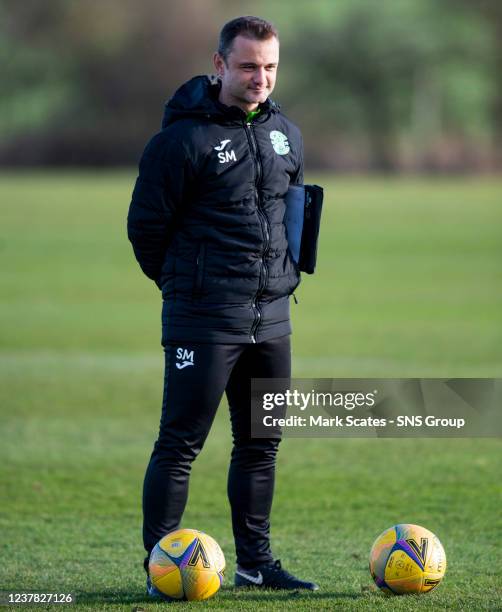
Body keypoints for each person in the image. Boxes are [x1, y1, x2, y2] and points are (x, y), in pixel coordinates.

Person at [127, 15, 318, 594]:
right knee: (180, 443)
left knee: (261, 445)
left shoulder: (287, 132)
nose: (260, 78)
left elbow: (296, 215)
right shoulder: (181, 140)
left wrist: (284, 277)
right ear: (219, 66)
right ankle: (162, 567)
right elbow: (145, 230)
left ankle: (255, 564)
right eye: (248, 66)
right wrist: (188, 289)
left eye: (269, 66)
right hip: (204, 319)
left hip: (273, 317)